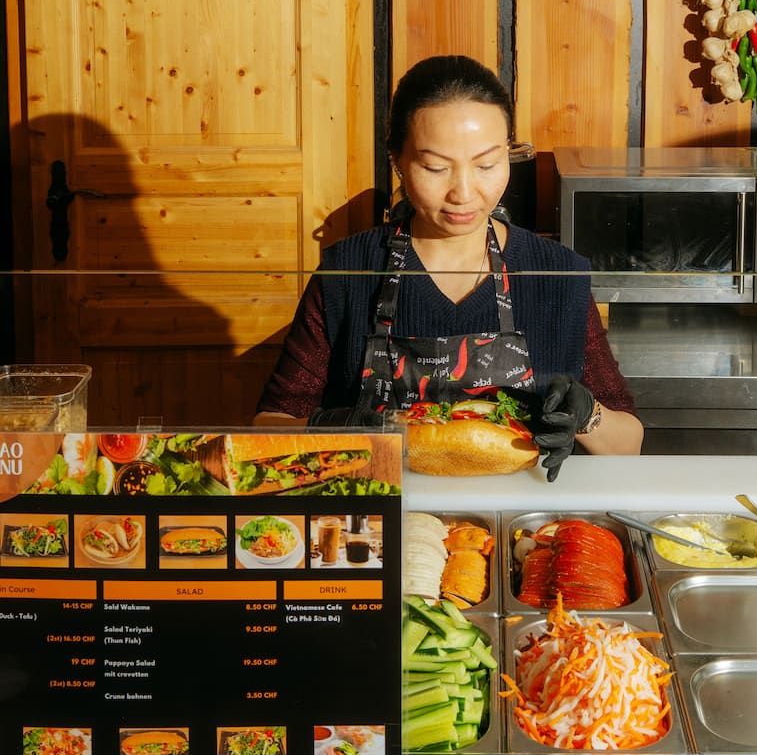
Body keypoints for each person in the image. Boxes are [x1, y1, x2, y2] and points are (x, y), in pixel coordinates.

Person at [255, 55, 642, 476]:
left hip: (519, 519)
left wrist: (586, 415)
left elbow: (628, 445)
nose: (463, 193)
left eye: (487, 165)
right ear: (397, 160)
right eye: (436, 167)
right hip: (380, 515)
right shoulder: (349, 272)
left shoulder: (555, 275)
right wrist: (335, 427)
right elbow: (267, 430)